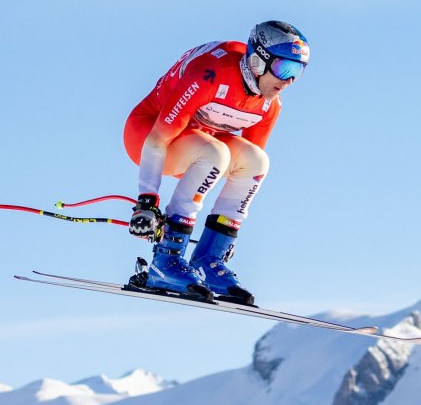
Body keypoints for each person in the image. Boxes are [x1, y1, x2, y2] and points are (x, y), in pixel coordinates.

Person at [123, 20, 309, 305]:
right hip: (149, 135)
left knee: (256, 161)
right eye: (285, 68)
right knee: (216, 154)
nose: (289, 81)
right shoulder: (211, 73)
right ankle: (166, 259)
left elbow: (241, 170)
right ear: (258, 60)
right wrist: (147, 202)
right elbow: (158, 139)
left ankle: (209, 259)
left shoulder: (269, 106)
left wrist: (223, 229)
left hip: (200, 143)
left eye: (298, 72)